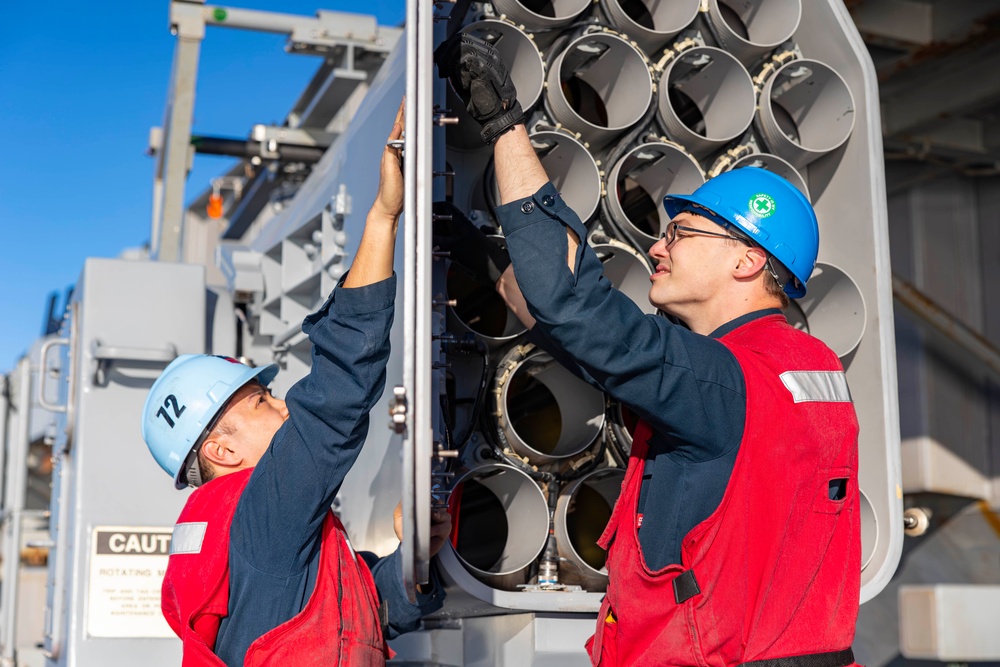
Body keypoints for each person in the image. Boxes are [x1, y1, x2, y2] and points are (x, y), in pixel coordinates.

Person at [435, 36, 862, 667]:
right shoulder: (802, 368)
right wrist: (494, 261)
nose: (658, 249)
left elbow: (572, 305)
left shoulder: (723, 384)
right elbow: (588, 338)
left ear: (747, 260)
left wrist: (504, 127)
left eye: (683, 233)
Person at [141, 101, 451, 667]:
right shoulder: (261, 515)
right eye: (261, 401)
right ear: (222, 449)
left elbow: (362, 617)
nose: (282, 406)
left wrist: (412, 560)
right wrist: (383, 218)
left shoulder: (269, 544)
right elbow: (335, 400)